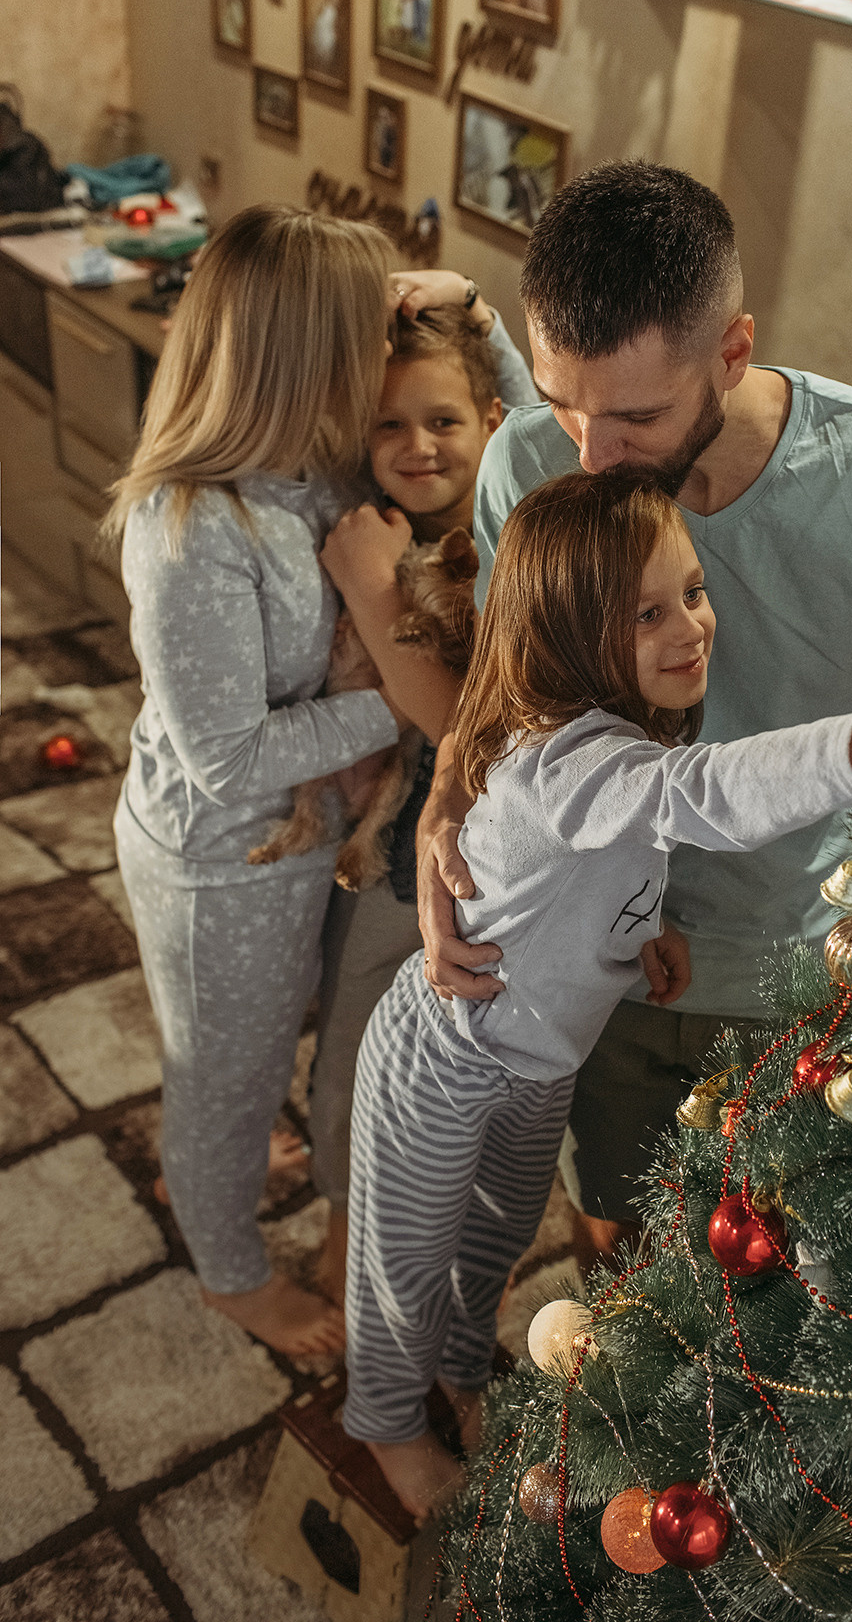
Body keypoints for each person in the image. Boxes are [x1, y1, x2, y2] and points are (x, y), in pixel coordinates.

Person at [341, 468, 852, 1522]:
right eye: (648, 612)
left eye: (691, 591)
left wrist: (643, 931)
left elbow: (596, 864)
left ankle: (458, 1378)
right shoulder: (571, 761)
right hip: (446, 1059)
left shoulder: (614, 735)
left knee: (494, 1242)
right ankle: (382, 1424)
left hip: (535, 1065)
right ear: (564, 630)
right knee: (404, 1261)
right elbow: (708, 799)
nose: (692, 625)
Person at [411, 160, 852, 1266]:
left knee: (792, 1283)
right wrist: (442, 805)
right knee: (620, 1254)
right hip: (592, 959)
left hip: (806, 970)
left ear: (732, 353)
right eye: (561, 402)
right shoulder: (527, 462)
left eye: (635, 415)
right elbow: (510, 697)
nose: (588, 456)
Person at [107, 204, 457, 1359]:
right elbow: (226, 763)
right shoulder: (191, 523)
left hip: (294, 847)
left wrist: (432, 302)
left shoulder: (310, 463)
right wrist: (403, 695)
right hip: (224, 860)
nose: (385, 351)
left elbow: (469, 359)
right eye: (366, 332)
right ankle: (226, 1268)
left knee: (247, 1056)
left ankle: (227, 1144)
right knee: (220, 1070)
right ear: (305, 352)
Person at [310, 273, 537, 1304]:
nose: (419, 446)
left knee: (461, 1079)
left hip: (490, 865)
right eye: (390, 425)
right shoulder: (368, 520)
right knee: (353, 1041)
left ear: (491, 421)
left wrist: (368, 589)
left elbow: (454, 719)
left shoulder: (517, 533)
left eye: (444, 420)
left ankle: (426, 1251)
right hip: (388, 846)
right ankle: (341, 1211)